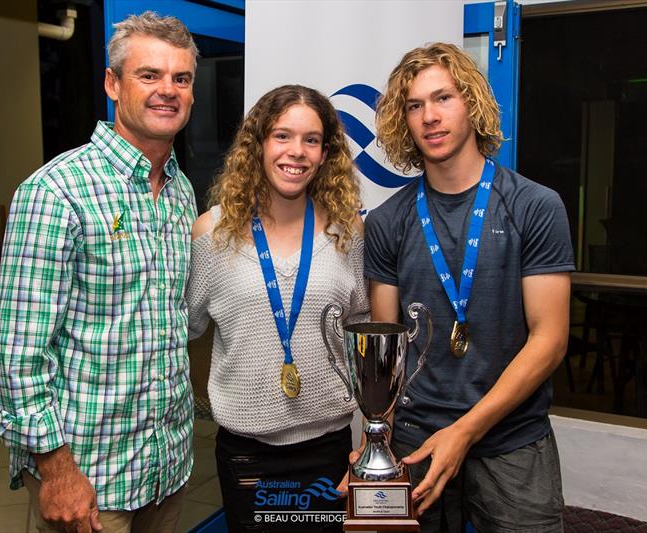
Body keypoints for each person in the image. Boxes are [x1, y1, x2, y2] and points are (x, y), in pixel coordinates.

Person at [0, 12, 198, 533]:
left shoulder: (181, 192)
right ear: (112, 84)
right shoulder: (55, 191)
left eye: (182, 78)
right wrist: (57, 472)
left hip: (164, 472)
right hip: (90, 484)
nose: (167, 91)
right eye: (149, 75)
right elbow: (17, 356)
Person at [364, 42, 574, 532]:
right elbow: (386, 345)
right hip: (414, 440)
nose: (429, 117)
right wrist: (379, 437)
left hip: (511, 439)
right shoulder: (387, 221)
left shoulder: (534, 207)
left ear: (473, 104)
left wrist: (464, 431)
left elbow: (550, 340)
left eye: (443, 99)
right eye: (414, 106)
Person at [187, 85, 368, 532]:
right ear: (259, 145)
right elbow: (188, 334)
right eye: (282, 136)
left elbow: (362, 336)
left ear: (326, 154)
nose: (297, 152)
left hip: (328, 449)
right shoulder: (212, 233)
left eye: (311, 140)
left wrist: (371, 439)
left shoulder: (348, 232)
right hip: (246, 454)